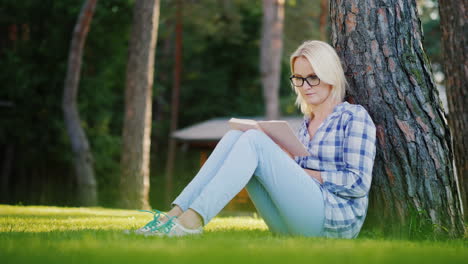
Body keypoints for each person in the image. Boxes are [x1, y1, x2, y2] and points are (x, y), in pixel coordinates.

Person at [132, 40, 377, 239]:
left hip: (333, 221)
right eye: (298, 79)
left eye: (312, 77)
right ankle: (173, 215)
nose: (305, 86)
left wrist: (299, 172)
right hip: (291, 224)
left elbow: (358, 183)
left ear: (330, 75)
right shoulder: (304, 125)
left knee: (254, 141)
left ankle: (192, 221)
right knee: (235, 136)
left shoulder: (353, 117)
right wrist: (287, 164)